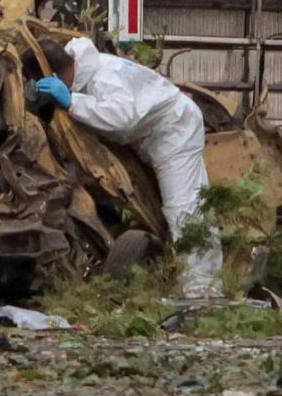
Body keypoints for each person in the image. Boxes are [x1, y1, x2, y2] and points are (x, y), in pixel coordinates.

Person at [35, 37, 222, 298]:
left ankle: (202, 293)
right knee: (188, 207)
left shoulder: (103, 78)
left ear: (55, 74)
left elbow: (122, 117)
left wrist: (73, 102)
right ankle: (197, 282)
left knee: (185, 210)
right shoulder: (90, 69)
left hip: (175, 134)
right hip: (160, 134)